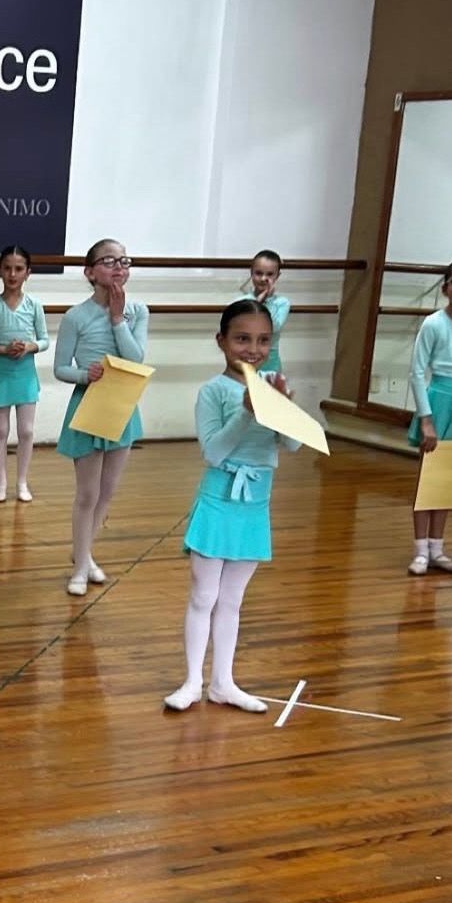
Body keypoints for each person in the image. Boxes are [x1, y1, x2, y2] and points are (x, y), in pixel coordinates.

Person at [163, 300, 301, 713]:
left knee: (233, 600)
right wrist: (246, 413)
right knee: (204, 595)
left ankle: (223, 682)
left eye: (262, 340)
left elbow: (292, 444)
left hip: (256, 503)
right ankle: (191, 681)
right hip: (219, 499)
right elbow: (213, 452)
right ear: (221, 341)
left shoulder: (273, 382)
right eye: (242, 339)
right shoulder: (214, 391)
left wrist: (283, 408)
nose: (252, 349)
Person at [54, 238, 149, 596]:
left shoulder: (138, 311)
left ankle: (85, 554)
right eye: (109, 261)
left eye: (124, 260)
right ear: (90, 272)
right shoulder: (76, 316)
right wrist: (84, 375)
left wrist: (117, 319)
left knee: (107, 492)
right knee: (87, 493)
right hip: (89, 403)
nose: (118, 267)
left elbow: (135, 360)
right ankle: (80, 567)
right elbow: (61, 367)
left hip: (122, 405)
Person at [0, 244, 49, 503]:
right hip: (2, 375)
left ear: (28, 272)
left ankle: (22, 482)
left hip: (26, 375)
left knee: (27, 431)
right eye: (7, 268)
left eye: (19, 269)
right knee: (1, 430)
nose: (13, 274)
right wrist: (4, 349)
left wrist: (30, 346)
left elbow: (45, 340)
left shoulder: (35, 305)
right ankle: (1, 482)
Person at [407, 256, 452, 576]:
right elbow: (417, 372)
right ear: (446, 288)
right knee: (429, 479)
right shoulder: (433, 324)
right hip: (440, 402)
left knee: (449, 481)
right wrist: (425, 418)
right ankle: (419, 551)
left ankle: (438, 549)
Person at [247, 248, 290, 375]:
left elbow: (273, 327)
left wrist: (266, 301)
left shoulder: (282, 303)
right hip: (244, 358)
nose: (263, 278)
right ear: (251, 272)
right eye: (258, 273)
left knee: (269, 394)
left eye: (270, 274)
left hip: (270, 361)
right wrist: (258, 302)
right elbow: (243, 326)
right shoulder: (243, 301)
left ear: (277, 276)